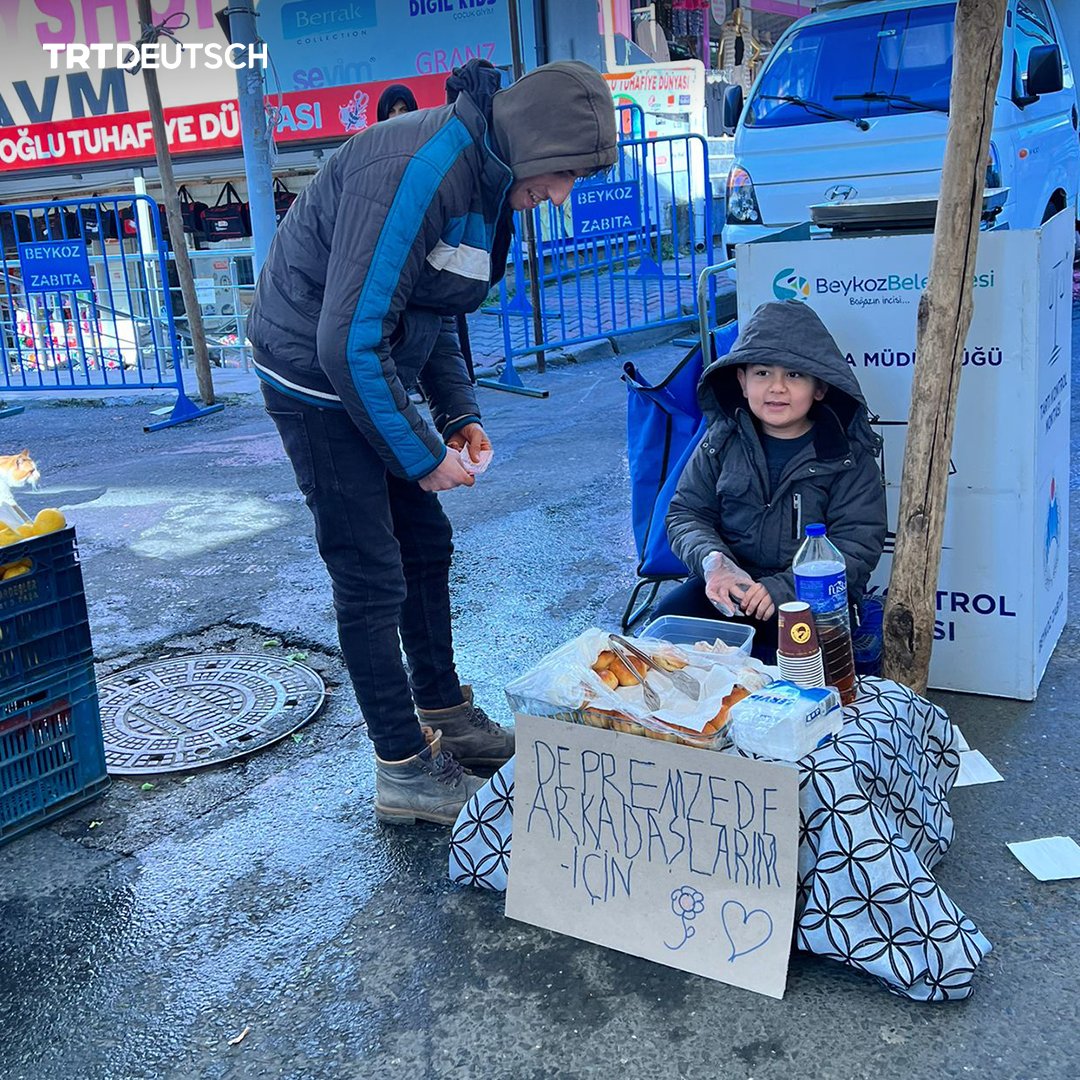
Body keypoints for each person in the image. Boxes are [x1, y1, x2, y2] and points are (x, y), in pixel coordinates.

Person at [248, 59, 617, 826]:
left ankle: (445, 712)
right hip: (313, 373)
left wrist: (455, 413)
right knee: (371, 570)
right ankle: (403, 768)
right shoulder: (423, 168)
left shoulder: (490, 169)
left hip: (362, 358)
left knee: (425, 545)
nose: (561, 196)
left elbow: (434, 300)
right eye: (565, 173)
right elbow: (348, 343)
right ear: (537, 142)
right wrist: (423, 455)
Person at [657, 300, 887, 661]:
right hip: (733, 592)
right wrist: (714, 561)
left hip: (814, 598)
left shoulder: (846, 455)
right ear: (742, 381)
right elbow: (686, 513)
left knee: (795, 668)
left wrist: (782, 588)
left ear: (820, 388)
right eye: (762, 373)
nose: (777, 388)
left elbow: (859, 542)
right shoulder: (720, 441)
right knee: (665, 629)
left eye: (794, 375)